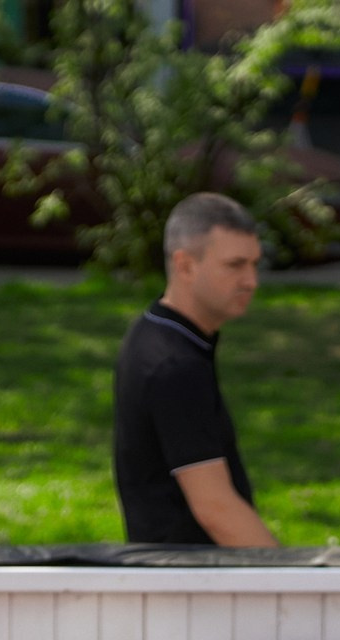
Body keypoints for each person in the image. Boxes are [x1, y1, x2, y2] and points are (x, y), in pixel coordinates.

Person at [112, 192, 275, 547]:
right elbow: (216, 509)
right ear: (185, 265)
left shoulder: (158, 333)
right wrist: (298, 589)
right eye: (235, 265)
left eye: (254, 264)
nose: (251, 281)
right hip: (190, 587)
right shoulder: (173, 364)